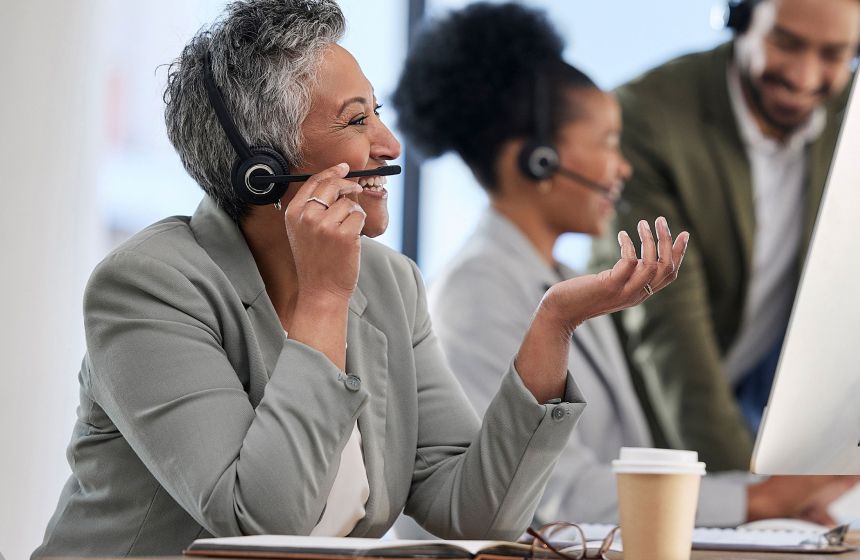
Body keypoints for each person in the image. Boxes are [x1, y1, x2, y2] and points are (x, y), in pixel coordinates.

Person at [31, 1, 690, 557]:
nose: (390, 144)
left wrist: (553, 323)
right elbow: (266, 524)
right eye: (356, 120)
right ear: (263, 168)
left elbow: (477, 509)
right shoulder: (149, 287)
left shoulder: (390, 284)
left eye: (377, 112)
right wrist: (322, 298)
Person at [391, 2, 858, 529]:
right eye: (609, 143)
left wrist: (773, 500)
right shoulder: (479, 291)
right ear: (538, 160)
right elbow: (550, 492)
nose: (624, 167)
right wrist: (760, 502)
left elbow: (621, 461)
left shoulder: (558, 280)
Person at [590, 0, 860, 472]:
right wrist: (752, 498)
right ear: (738, 17)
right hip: (642, 428)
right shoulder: (648, 118)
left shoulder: (848, 115)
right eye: (786, 43)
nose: (803, 75)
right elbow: (668, 327)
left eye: (834, 54)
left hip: (757, 405)